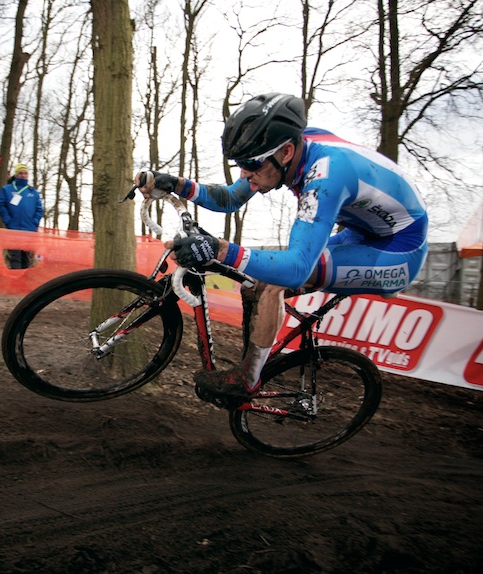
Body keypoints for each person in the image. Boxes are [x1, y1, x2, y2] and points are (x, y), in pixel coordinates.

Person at [135, 92, 428, 404]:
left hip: (398, 252)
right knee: (253, 287)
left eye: (250, 164)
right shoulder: (284, 150)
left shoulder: (325, 177)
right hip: (363, 232)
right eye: (239, 164)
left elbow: (297, 267)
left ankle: (247, 381)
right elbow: (231, 198)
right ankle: (253, 360)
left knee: (275, 282)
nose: (244, 174)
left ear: (286, 152)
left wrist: (220, 250)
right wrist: (176, 184)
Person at [0, 163, 44, 269]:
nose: (23, 175)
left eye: (25, 173)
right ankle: (15, 281)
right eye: (20, 173)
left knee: (26, 258)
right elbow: (0, 205)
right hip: (13, 229)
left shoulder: (33, 192)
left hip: (29, 230)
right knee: (15, 257)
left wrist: (34, 222)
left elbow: (39, 209)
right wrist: (8, 220)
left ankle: (24, 283)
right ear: (16, 175)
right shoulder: (7, 189)